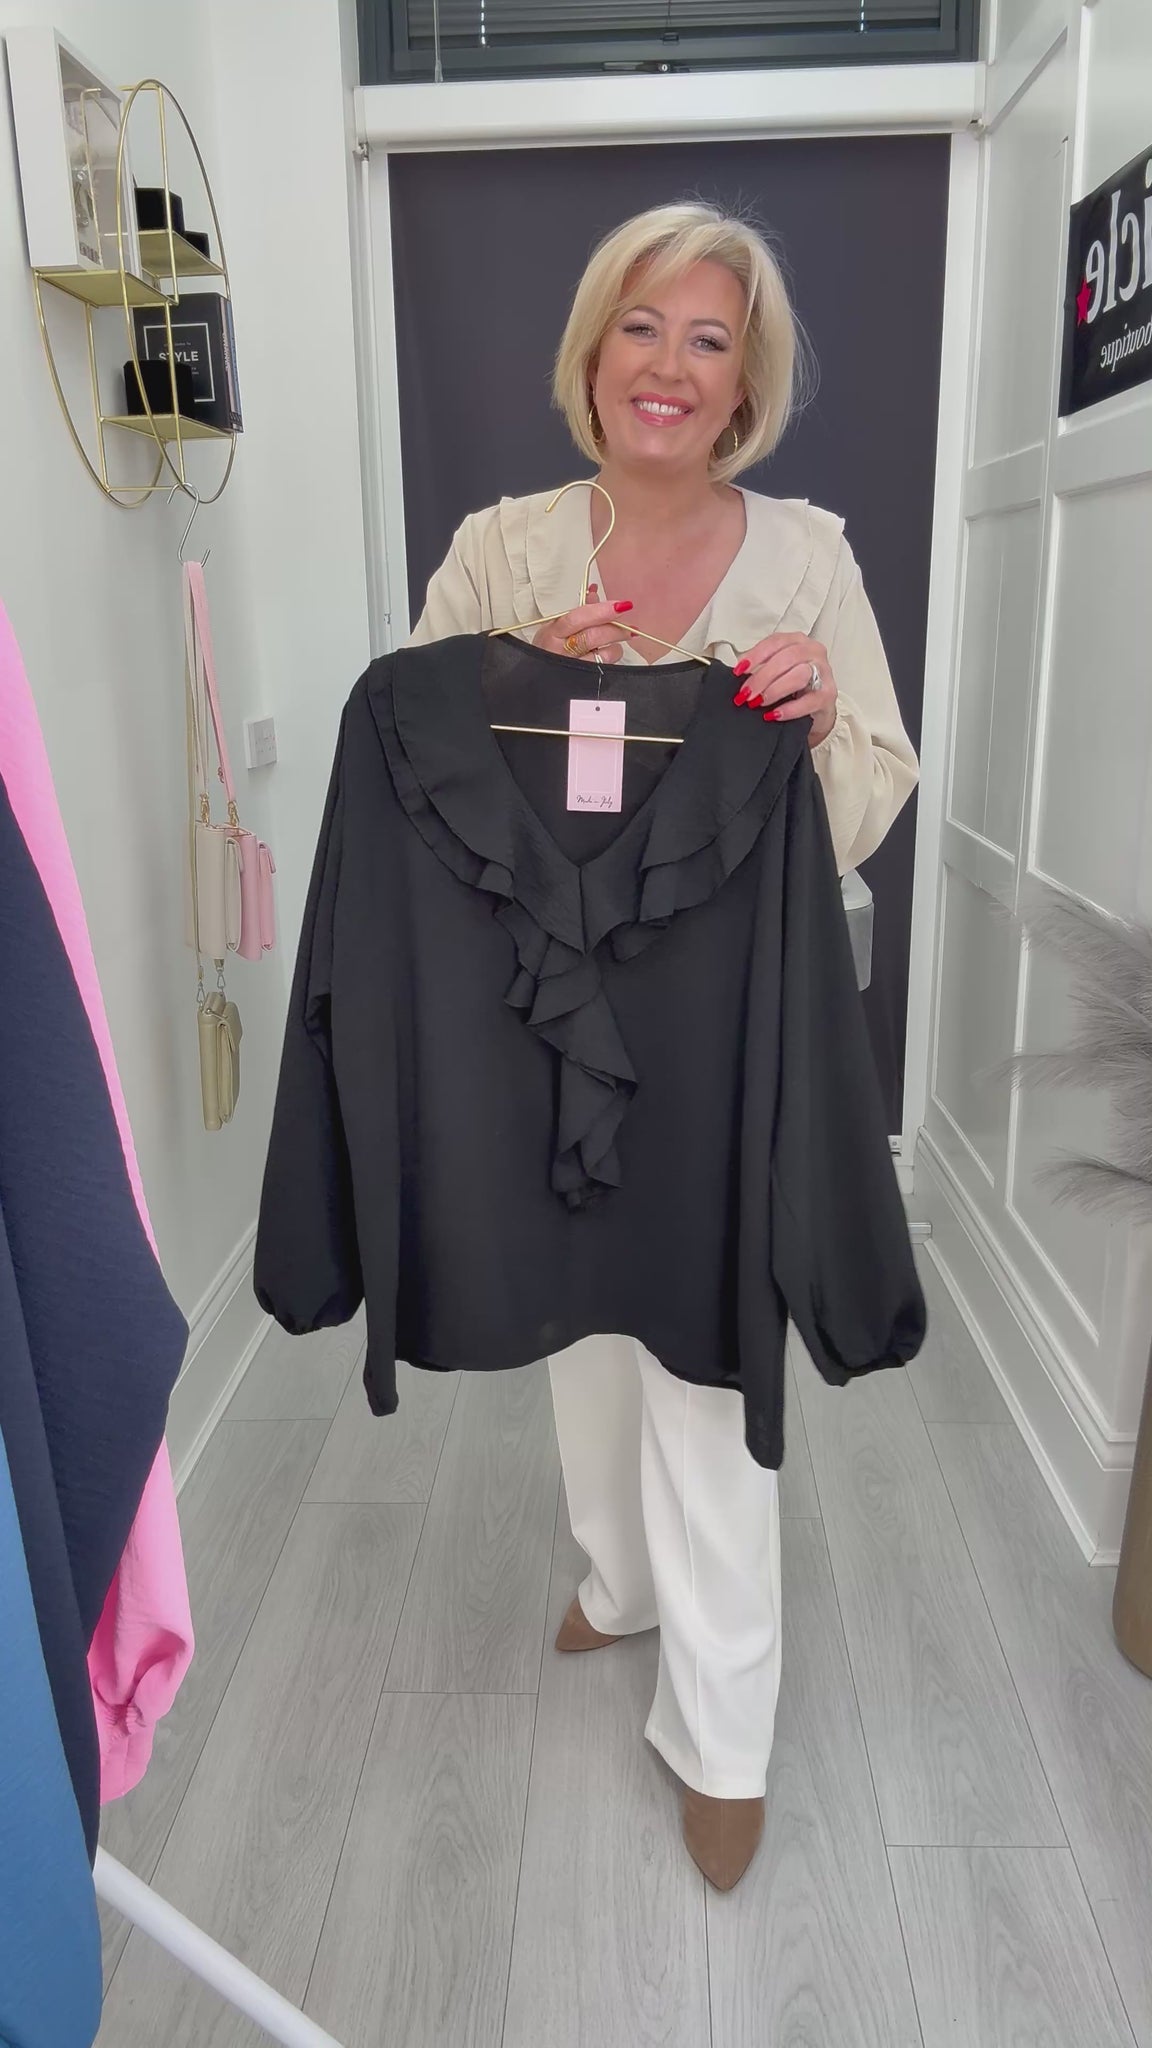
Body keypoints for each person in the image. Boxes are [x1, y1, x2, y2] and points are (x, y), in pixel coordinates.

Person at [407, 201, 919, 1892]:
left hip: (726, 1026)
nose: (671, 367)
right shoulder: (502, 551)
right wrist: (512, 679)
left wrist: (815, 720)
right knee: (580, 1325)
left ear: (745, 384)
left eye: (711, 341)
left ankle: (724, 1730)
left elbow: (867, 800)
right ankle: (617, 1583)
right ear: (593, 351)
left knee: (705, 1360)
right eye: (644, 326)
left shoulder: (810, 562)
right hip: (539, 1014)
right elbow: (411, 755)